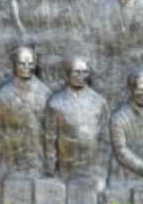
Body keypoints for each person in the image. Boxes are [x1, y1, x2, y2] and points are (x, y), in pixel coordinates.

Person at [43, 56, 111, 187]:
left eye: (84, 72)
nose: (81, 76)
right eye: (76, 72)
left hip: (93, 165)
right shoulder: (55, 102)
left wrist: (103, 165)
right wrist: (50, 165)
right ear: (68, 73)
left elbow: (106, 137)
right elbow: (50, 137)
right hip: (66, 165)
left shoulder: (99, 102)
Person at [0, 45, 52, 179]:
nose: (26, 67)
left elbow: (50, 131)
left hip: (37, 160)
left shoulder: (45, 94)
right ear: (14, 64)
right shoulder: (1, 95)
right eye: (22, 64)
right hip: (11, 159)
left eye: (30, 64)